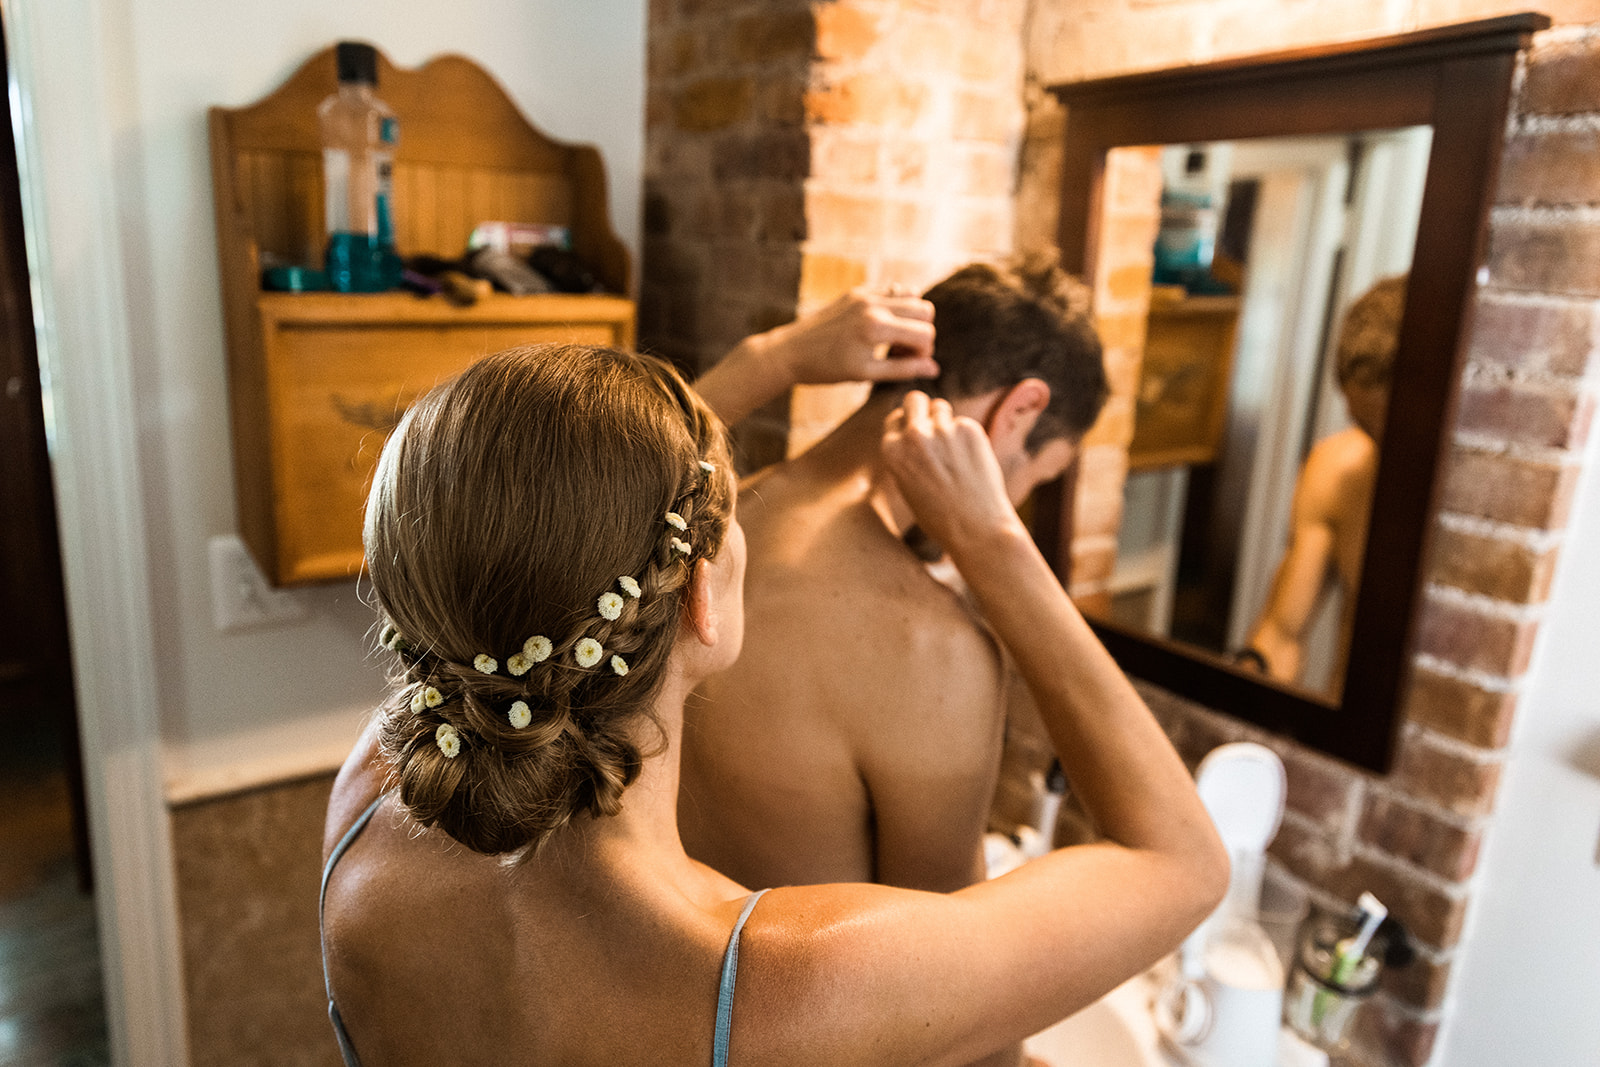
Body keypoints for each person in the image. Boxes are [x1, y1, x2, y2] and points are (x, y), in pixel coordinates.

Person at [321, 338, 1226, 1066]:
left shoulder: (364, 808)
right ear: (701, 597)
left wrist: (772, 361)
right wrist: (993, 539)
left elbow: (535, 515)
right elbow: (1182, 859)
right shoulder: (789, 987)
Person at [678, 257, 1110, 896]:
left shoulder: (704, 513)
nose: (1018, 498)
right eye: (1036, 476)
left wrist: (772, 359)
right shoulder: (936, 652)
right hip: (795, 995)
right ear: (1019, 410)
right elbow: (942, 953)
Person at [1242, 275, 1406, 689]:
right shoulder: (1337, 471)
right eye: (1365, 427)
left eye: (1397, 436)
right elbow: (1281, 635)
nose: (1383, 452)